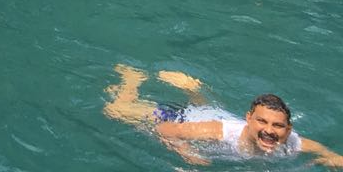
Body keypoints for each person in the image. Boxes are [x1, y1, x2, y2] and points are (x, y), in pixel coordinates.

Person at [104, 65, 343, 165]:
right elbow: (165, 130)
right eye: (261, 121)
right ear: (248, 119)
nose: (269, 130)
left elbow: (328, 154)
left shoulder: (293, 143)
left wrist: (331, 158)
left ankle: (192, 88)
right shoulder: (219, 133)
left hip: (213, 114)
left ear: (288, 130)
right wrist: (184, 151)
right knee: (115, 111)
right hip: (182, 119)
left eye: (278, 125)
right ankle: (131, 78)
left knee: (204, 109)